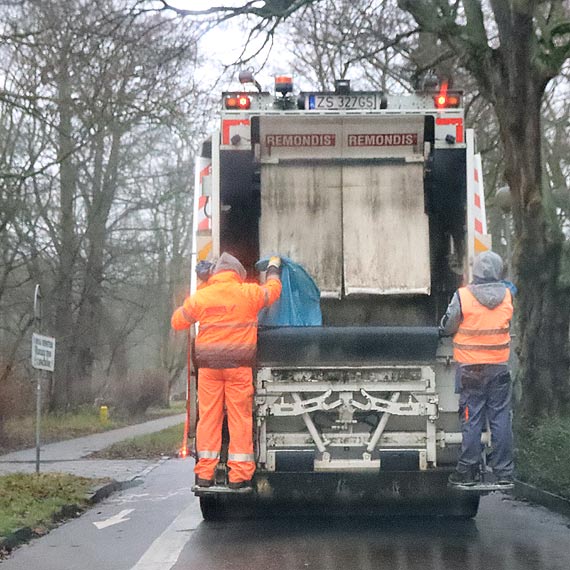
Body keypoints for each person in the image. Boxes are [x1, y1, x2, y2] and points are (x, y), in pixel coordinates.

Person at [171, 252, 282, 489]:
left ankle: (204, 475)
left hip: (209, 369)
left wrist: (199, 291)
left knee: (208, 419)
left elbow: (177, 322)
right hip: (239, 368)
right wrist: (273, 268)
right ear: (238, 275)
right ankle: (238, 477)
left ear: (215, 274)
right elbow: (273, 291)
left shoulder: (202, 297)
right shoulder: (249, 293)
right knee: (239, 420)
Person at [440, 250, 514, 487]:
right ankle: (504, 473)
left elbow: (450, 325)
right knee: (500, 419)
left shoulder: (464, 296)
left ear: (477, 271)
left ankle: (467, 471)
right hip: (499, 368)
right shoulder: (506, 295)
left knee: (472, 419)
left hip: (471, 369)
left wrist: (443, 329)